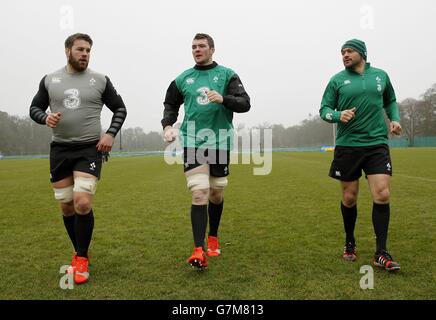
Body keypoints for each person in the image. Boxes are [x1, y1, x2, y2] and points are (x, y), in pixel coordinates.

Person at [29, 33, 127, 283]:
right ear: (67, 51)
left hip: (88, 149)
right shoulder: (50, 80)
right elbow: (34, 108)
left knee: (82, 202)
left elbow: (120, 108)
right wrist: (45, 118)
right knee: (66, 205)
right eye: (80, 49)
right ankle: (79, 250)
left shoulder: (100, 80)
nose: (85, 54)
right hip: (60, 150)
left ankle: (81, 259)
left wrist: (110, 134)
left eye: (88, 50)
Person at [162, 33, 251, 269]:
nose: (197, 50)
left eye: (201, 46)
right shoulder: (183, 78)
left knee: (216, 194)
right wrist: (168, 125)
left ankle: (213, 237)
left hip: (220, 141)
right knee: (199, 193)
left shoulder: (227, 75)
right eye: (193, 47)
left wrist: (223, 99)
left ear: (212, 49)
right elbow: (170, 103)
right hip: (192, 141)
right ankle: (198, 249)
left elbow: (245, 103)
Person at [319, 39, 402, 272]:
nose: (345, 55)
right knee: (349, 198)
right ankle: (350, 241)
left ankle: (381, 253)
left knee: (382, 194)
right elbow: (323, 110)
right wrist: (337, 115)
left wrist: (394, 119)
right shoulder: (337, 80)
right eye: (342, 52)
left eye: (349, 51)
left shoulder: (381, 76)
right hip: (348, 146)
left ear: (362, 53)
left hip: (376, 144)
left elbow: (390, 101)